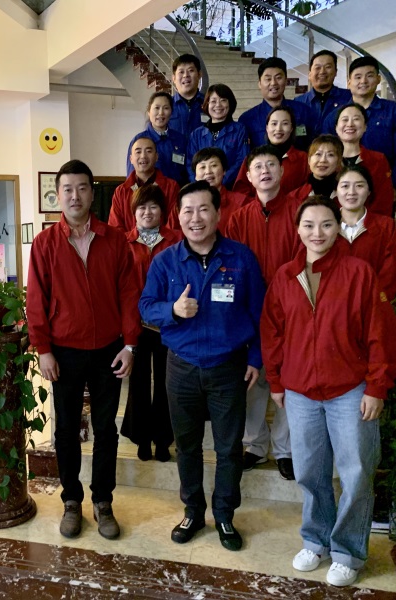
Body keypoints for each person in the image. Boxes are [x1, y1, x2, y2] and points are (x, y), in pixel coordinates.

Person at [261, 195, 396, 587]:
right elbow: (272, 332)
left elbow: (377, 333)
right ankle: (316, 540)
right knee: (310, 472)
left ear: (338, 228)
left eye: (326, 224)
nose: (318, 233)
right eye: (309, 225)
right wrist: (276, 380)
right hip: (301, 391)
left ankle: (348, 552)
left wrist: (376, 386)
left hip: (350, 390)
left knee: (357, 472)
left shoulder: (358, 273)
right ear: (297, 230)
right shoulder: (285, 276)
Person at [139, 180, 264, 552]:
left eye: (203, 209)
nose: (196, 218)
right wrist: (173, 310)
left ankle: (224, 514)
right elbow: (146, 307)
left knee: (229, 448)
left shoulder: (241, 258)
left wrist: (255, 358)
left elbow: (261, 313)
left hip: (228, 367)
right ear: (177, 217)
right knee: (187, 446)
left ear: (218, 213)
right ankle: (193, 511)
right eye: (188, 211)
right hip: (181, 367)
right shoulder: (165, 261)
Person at [27, 159, 141, 541]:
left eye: (81, 188)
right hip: (65, 351)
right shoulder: (45, 244)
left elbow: (129, 295)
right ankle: (72, 501)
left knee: (106, 429)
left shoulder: (115, 240)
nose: (74, 196)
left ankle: (103, 501)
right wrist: (43, 349)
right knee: (66, 429)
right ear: (58, 195)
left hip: (109, 349)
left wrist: (130, 344)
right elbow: (36, 300)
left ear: (92, 193)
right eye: (67, 189)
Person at [227, 146, 300, 481]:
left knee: (288, 376)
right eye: (258, 166)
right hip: (250, 310)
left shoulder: (299, 212)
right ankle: (255, 445)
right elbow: (232, 265)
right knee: (253, 377)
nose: (266, 170)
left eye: (272, 164)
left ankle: (285, 450)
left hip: (290, 309)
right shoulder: (238, 218)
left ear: (282, 172)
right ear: (249, 176)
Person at [121, 185, 182, 463]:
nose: (147, 212)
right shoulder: (124, 242)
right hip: (135, 324)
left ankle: (163, 440)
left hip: (168, 323)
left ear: (163, 211)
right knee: (139, 383)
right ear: (134, 213)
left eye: (153, 206)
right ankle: (142, 438)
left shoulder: (177, 240)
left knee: (167, 384)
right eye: (141, 207)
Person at [323, 55, 396, 198]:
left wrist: (391, 186)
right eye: (358, 77)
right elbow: (326, 151)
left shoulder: (394, 112)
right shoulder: (334, 116)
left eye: (369, 76)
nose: (363, 81)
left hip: (385, 188)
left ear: (378, 79)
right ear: (349, 83)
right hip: (343, 192)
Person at [337, 165, 396, 301]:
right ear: (336, 190)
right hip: (332, 305)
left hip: (372, 304)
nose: (351, 192)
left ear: (369, 191)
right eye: (345, 186)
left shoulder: (386, 226)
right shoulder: (324, 226)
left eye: (359, 186)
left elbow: (392, 272)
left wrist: (370, 300)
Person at [238, 57, 316, 151]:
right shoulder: (247, 119)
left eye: (278, 78)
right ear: (259, 83)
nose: (273, 83)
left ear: (286, 81)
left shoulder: (304, 112)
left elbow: (313, 147)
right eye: (268, 79)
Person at [232, 106, 309, 197]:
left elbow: (308, 190)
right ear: (267, 128)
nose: (278, 129)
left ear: (292, 128)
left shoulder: (303, 158)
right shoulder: (252, 158)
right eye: (274, 124)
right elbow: (240, 194)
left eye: (285, 123)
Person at [334, 103, 395, 217]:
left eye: (356, 119)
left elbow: (384, 200)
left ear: (365, 127)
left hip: (369, 224)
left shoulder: (378, 160)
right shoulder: (327, 161)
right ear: (336, 127)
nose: (350, 124)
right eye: (345, 120)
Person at [187, 84, 249, 189]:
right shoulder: (196, 134)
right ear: (207, 104)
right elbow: (190, 164)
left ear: (230, 103)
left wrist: (220, 182)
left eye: (223, 100)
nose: (218, 105)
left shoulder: (239, 130)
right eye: (213, 101)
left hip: (231, 189)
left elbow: (242, 160)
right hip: (202, 190)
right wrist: (201, 185)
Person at [109, 137, 179, 231]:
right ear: (131, 159)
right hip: (128, 241)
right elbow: (115, 229)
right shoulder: (121, 191)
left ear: (156, 157)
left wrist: (158, 240)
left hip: (165, 240)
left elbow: (174, 225)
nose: (143, 156)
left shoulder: (171, 187)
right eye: (138, 152)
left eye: (148, 151)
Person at [126, 91, 189, 185]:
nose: (161, 113)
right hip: (149, 193)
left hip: (176, 192)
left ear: (171, 112)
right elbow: (131, 177)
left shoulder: (180, 140)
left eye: (166, 108)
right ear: (149, 111)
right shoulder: (138, 141)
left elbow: (186, 172)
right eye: (157, 108)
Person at [192, 147, 249, 235]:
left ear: (224, 170)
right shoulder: (185, 204)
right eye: (202, 167)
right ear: (195, 175)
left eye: (214, 165)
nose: (208, 171)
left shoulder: (242, 203)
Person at [295, 50, 352, 133]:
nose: (322, 72)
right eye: (317, 68)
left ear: (335, 72)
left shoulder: (349, 98)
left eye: (328, 67)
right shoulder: (298, 103)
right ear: (310, 74)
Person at [287, 135, 343, 204]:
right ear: (309, 160)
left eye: (330, 155)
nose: (323, 160)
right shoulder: (294, 197)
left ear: (339, 161)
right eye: (318, 154)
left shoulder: (347, 194)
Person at [168, 54, 205, 139]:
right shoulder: (167, 106)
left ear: (199, 74)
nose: (185, 75)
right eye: (181, 72)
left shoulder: (210, 104)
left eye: (191, 70)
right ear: (174, 78)